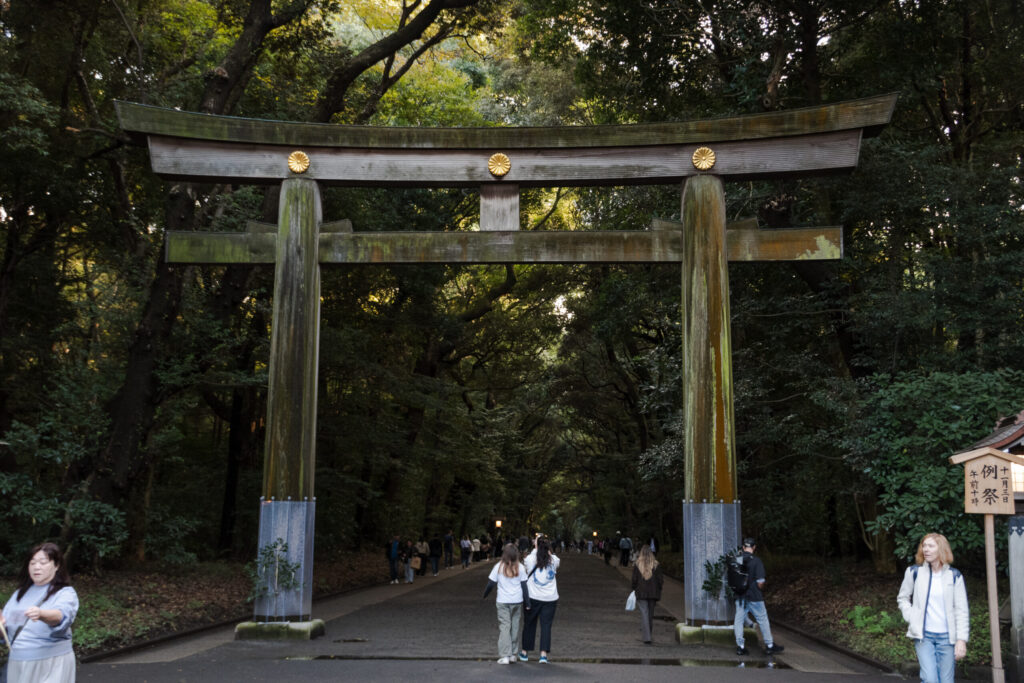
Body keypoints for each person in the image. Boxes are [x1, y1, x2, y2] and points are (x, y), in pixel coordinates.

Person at [1, 542, 79, 683]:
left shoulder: (65, 592)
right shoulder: (19, 594)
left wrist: (42, 614)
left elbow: (61, 616)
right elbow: (5, 631)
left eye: (43, 562)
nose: (36, 567)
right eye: (32, 563)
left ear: (56, 566)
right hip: (17, 662)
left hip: (50, 663)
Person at [897, 533, 969, 683]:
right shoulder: (914, 572)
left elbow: (961, 610)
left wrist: (961, 640)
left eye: (931, 546)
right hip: (924, 637)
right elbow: (903, 598)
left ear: (941, 549)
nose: (926, 549)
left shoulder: (954, 576)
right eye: (924, 546)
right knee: (930, 679)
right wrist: (911, 616)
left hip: (947, 638)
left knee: (946, 681)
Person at [733, 537, 784, 656]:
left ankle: (740, 647)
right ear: (754, 547)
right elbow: (761, 581)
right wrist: (758, 588)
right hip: (754, 595)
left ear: (743, 547)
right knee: (762, 619)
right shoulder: (757, 561)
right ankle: (769, 645)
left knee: (738, 620)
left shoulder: (737, 560)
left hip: (740, 595)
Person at [483, 544, 530, 664]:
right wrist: (528, 602)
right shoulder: (521, 567)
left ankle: (505, 655)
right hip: (517, 601)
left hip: (503, 601)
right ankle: (513, 654)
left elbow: (491, 584)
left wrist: (485, 595)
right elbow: (524, 586)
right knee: (515, 626)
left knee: (505, 627)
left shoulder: (498, 566)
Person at [519, 535, 560, 664]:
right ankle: (543, 655)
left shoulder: (530, 559)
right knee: (546, 625)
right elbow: (553, 559)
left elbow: (527, 566)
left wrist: (535, 549)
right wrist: (547, 550)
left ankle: (525, 652)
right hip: (550, 598)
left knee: (529, 623)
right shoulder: (554, 560)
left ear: (535, 545)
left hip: (533, 597)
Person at [631, 546, 663, 644]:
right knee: (650, 615)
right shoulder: (656, 564)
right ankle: (649, 634)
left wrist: (634, 588)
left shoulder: (637, 564)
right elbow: (660, 580)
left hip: (641, 592)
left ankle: (647, 637)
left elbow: (634, 579)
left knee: (644, 613)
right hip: (653, 593)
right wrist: (659, 589)